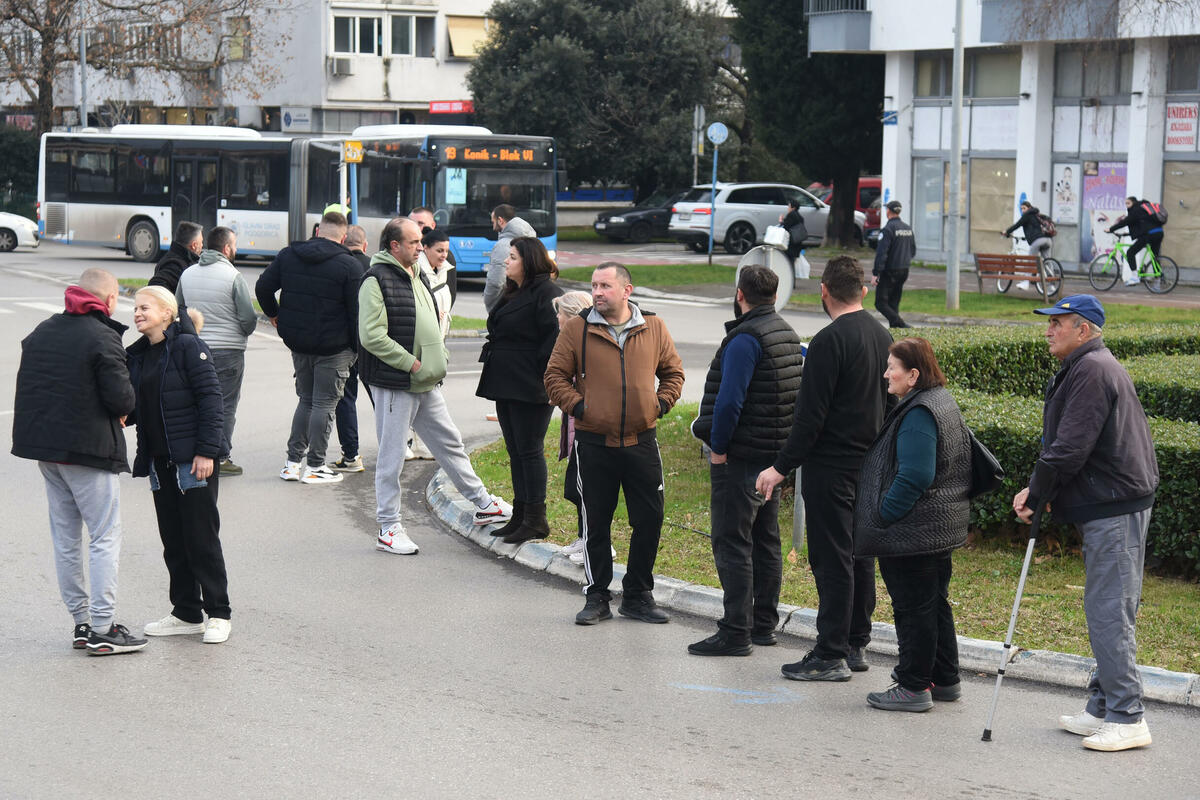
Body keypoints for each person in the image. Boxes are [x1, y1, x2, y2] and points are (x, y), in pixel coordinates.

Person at [1013, 294, 1158, 752]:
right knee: (1109, 608)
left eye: (1059, 322)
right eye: (1050, 322)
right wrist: (1041, 489)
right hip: (1110, 499)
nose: (1049, 329)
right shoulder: (1087, 366)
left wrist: (1038, 494)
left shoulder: (1093, 370)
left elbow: (1070, 447)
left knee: (1109, 610)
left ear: (1084, 329)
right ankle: (1102, 705)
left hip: (1114, 505)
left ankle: (1127, 715)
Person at [756, 255, 892, 681]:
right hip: (869, 465)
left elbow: (809, 418)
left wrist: (780, 468)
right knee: (860, 555)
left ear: (824, 292)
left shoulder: (827, 342)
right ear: (864, 292)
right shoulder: (883, 335)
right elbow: (890, 405)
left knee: (832, 560)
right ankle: (855, 643)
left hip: (831, 467)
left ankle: (830, 652)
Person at [12, 268, 147, 655]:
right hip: (89, 451)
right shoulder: (102, 336)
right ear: (107, 300)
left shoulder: (42, 331)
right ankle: (104, 628)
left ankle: (82, 623)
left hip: (46, 452)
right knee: (104, 536)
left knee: (66, 538)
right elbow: (122, 401)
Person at [359, 217, 512, 556]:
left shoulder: (417, 274)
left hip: (425, 381)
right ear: (394, 245)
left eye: (420, 242)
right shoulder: (375, 279)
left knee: (449, 442)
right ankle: (388, 526)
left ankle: (483, 503)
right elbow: (371, 336)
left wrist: (435, 357)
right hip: (397, 381)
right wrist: (411, 362)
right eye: (414, 242)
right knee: (392, 454)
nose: (420, 246)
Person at [545, 262, 685, 626]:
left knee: (650, 518)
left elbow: (673, 372)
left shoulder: (653, 326)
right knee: (596, 522)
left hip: (642, 441)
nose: (597, 292)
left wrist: (661, 403)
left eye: (605, 285)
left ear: (627, 290)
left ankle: (638, 594)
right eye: (594, 286)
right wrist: (580, 408)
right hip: (594, 443)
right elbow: (554, 376)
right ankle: (597, 595)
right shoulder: (578, 328)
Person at [688, 265, 804, 656]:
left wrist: (718, 449)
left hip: (741, 458)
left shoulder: (745, 339)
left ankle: (736, 630)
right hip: (772, 456)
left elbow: (730, 402)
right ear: (775, 294)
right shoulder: (787, 333)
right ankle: (763, 624)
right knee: (765, 540)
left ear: (740, 295)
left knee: (732, 542)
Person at [855, 337, 971, 712]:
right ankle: (945, 678)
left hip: (914, 531)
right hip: (938, 525)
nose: (886, 374)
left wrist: (885, 514)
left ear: (914, 374)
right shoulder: (940, 400)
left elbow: (916, 475)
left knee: (913, 608)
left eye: (893, 368)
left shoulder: (920, 413)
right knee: (934, 603)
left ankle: (913, 686)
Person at [126, 286, 232, 644]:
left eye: (145, 307)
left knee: (201, 538)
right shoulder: (138, 355)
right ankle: (186, 612)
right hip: (160, 462)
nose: (137, 313)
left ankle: (218, 613)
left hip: (194, 461)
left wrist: (206, 451)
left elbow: (212, 400)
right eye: (135, 308)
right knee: (173, 540)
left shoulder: (188, 346)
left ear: (167, 313)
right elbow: (137, 407)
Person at [256, 210, 363, 485]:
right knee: (325, 404)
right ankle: (315, 465)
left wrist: (274, 315)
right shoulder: (349, 266)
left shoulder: (289, 255)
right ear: (342, 237)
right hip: (335, 346)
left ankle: (292, 463)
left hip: (298, 342)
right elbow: (356, 313)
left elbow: (262, 288)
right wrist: (356, 347)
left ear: (318, 231)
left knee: (305, 400)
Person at [476, 237, 564, 544]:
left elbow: (554, 340)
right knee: (515, 450)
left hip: (531, 384)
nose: (506, 262)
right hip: (506, 380)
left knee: (529, 449)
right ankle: (521, 514)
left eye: (512, 257)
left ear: (528, 260)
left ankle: (536, 519)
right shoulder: (514, 291)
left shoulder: (548, 293)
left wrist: (545, 379)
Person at [175, 226, 257, 477]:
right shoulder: (233, 276)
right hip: (228, 351)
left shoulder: (187, 274)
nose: (236, 249)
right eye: (234, 245)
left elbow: (178, 309)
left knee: (195, 402)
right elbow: (248, 318)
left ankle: (192, 452)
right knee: (224, 405)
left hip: (194, 348)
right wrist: (243, 332)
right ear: (226, 248)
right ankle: (220, 457)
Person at [550, 290, 609, 566]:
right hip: (576, 422)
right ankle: (584, 536)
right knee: (577, 487)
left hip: (587, 426)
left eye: (560, 313)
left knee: (586, 489)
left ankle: (599, 543)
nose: (557, 319)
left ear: (571, 315)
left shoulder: (587, 341)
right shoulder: (572, 339)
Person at [329, 224, 372, 473]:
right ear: (365, 246)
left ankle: (351, 454)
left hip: (344, 344)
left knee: (346, 398)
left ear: (343, 241)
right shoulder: (375, 266)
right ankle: (400, 447)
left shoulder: (338, 265)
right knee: (383, 399)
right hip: (373, 344)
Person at [483, 204, 536, 313]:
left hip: (506, 306)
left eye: (493, 222)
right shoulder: (531, 241)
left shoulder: (503, 245)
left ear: (500, 220)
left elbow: (495, 282)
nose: (493, 227)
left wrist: (488, 302)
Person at [872, 200, 916, 329]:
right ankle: (895, 330)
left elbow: (882, 253)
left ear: (889, 211)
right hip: (904, 270)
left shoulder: (888, 229)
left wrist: (876, 273)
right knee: (894, 302)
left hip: (889, 270)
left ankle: (900, 324)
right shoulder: (908, 228)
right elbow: (912, 250)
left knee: (880, 302)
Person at [1107, 196, 1165, 287]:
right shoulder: (1145, 208)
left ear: (1134, 203)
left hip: (1148, 235)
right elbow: (1143, 225)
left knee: (1130, 252)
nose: (1127, 206)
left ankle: (1134, 277)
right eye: (1125, 203)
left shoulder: (1136, 210)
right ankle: (1158, 281)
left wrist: (1111, 229)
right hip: (1159, 233)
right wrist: (1129, 234)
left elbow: (1125, 222)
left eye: (1128, 203)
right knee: (1155, 256)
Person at [1003, 200, 1053, 290]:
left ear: (1029, 208)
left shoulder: (1027, 215)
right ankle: (1051, 285)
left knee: (1030, 261)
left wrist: (1006, 232)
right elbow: (1035, 230)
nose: (1023, 210)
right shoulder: (1037, 215)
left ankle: (1026, 282)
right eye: (1021, 208)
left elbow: (1016, 225)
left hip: (1038, 240)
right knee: (1047, 262)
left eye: (1024, 208)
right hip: (1048, 240)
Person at [148, 221, 204, 294]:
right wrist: (176, 305)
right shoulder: (174, 265)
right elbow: (156, 287)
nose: (202, 245)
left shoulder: (182, 258)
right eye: (201, 242)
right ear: (194, 245)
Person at [779, 199, 807, 266]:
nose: (788, 208)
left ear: (793, 208)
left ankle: (790, 275)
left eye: (789, 206)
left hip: (791, 242)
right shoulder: (800, 217)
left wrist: (781, 221)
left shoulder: (791, 214)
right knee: (792, 261)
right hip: (798, 241)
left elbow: (786, 226)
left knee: (789, 261)